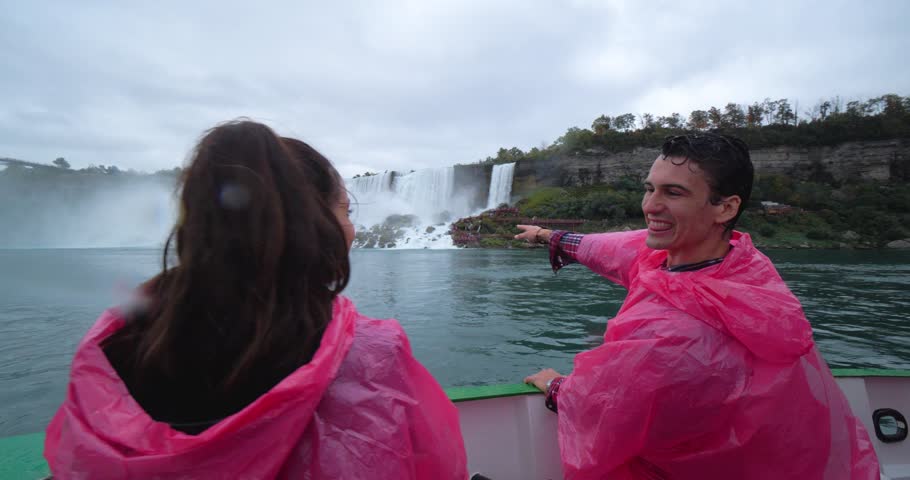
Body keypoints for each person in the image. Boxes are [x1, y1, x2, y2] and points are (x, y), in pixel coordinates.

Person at [44, 120, 467, 479]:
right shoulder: (370, 353)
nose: (351, 227)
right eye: (346, 211)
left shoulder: (116, 344)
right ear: (314, 223)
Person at [516, 133, 879, 479]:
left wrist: (555, 386)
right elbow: (612, 249)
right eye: (649, 189)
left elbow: (603, 408)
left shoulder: (670, 337)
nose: (649, 206)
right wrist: (549, 236)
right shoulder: (742, 263)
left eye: (673, 193)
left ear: (726, 206)